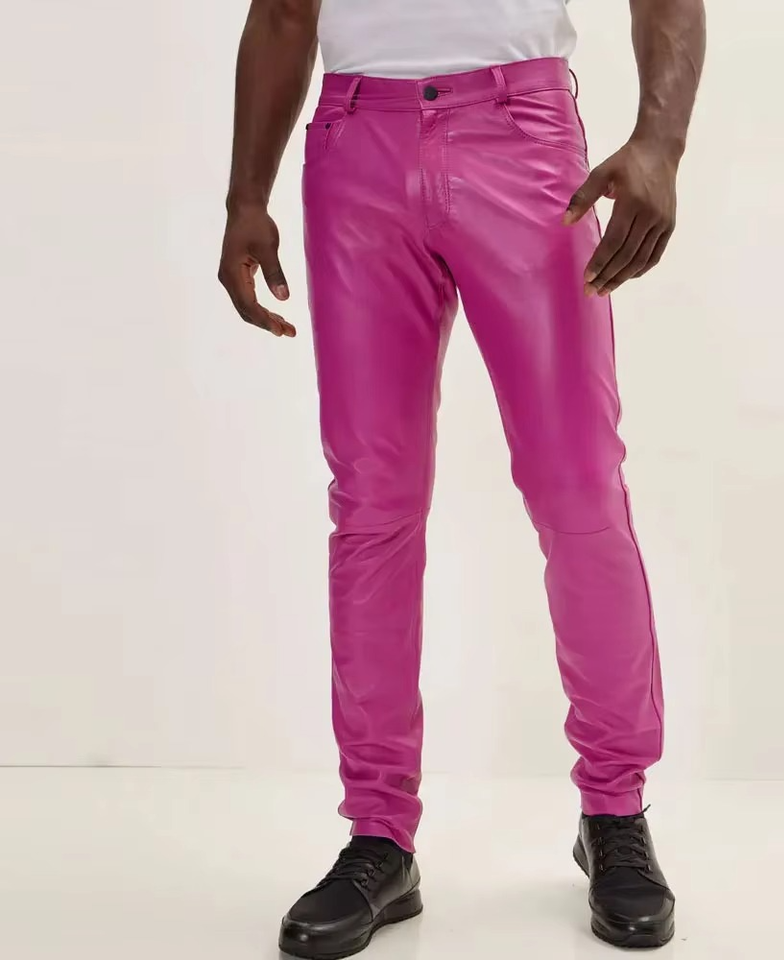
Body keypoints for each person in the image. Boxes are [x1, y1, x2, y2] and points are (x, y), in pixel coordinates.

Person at [218, 0, 705, 955]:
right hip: (354, 144)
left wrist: (661, 140)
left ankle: (615, 809)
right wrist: (246, 197)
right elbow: (282, 12)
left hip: (520, 136)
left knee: (578, 489)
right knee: (372, 504)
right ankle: (378, 835)